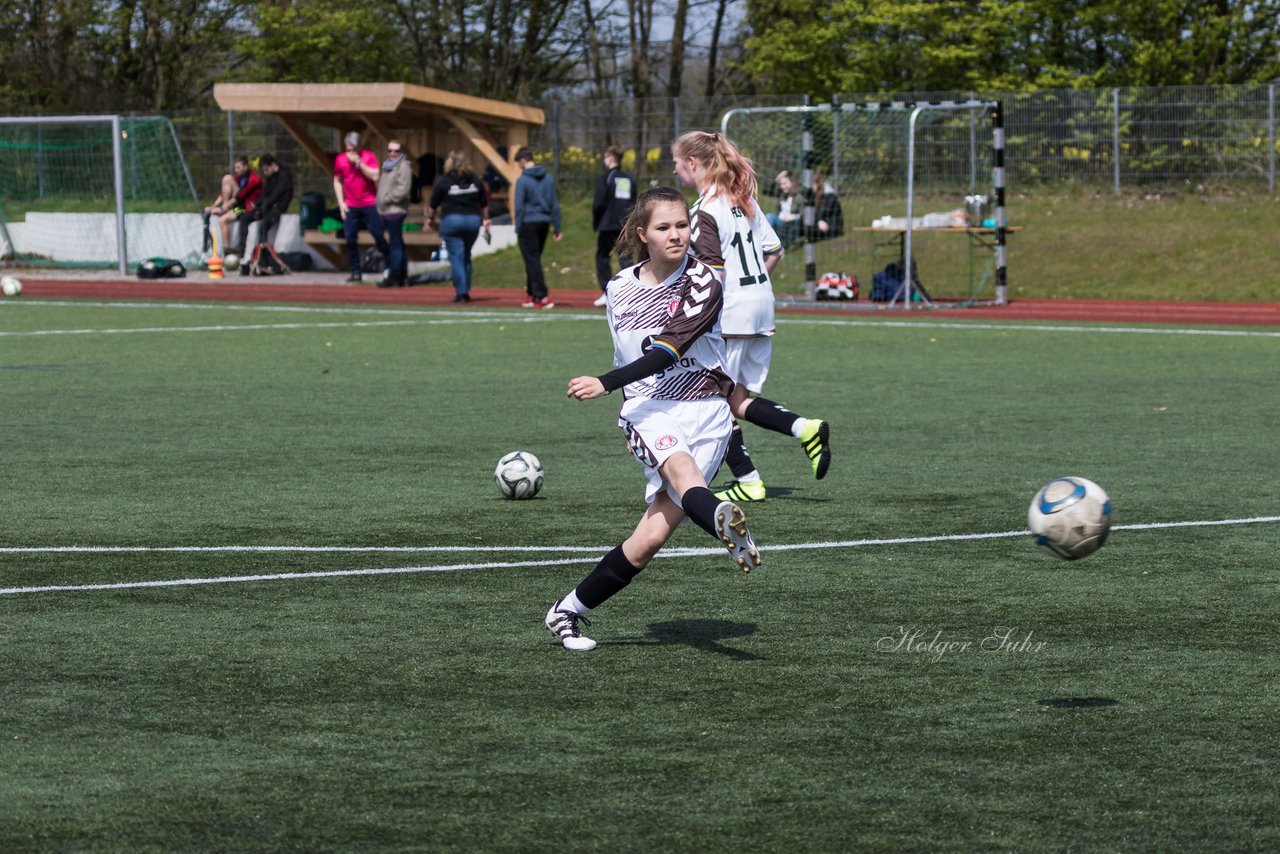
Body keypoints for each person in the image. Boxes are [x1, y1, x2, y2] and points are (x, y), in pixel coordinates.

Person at [546, 187, 761, 652]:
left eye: (683, 225)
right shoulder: (620, 288)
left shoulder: (704, 283)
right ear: (642, 234)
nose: (676, 235)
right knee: (683, 473)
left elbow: (666, 352)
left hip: (705, 409)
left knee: (650, 537)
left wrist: (605, 382)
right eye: (664, 227)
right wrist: (631, 416)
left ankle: (567, 611)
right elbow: (629, 356)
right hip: (648, 408)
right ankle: (724, 522)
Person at [671, 130, 832, 503]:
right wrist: (753, 289)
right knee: (735, 398)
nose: (677, 172)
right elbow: (774, 251)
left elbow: (714, 273)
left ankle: (749, 479)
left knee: (704, 400)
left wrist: (688, 318)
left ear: (693, 164)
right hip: (760, 307)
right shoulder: (743, 201)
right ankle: (803, 429)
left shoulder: (703, 211)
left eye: (678, 165)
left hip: (730, 316)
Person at [428, 149, 490, 303]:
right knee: (466, 255)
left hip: (452, 220)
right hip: (473, 220)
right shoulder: (475, 180)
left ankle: (461, 292)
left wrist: (430, 218)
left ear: (449, 162)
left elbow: (433, 203)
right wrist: (486, 219)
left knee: (456, 256)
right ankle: (466, 288)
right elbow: (484, 202)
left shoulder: (443, 181)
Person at [333, 131, 391, 284]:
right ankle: (355, 272)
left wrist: (359, 163)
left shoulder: (367, 156)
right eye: (349, 149)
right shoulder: (340, 160)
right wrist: (341, 203)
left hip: (369, 204)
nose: (351, 153)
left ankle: (390, 266)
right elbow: (337, 181)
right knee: (350, 238)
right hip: (351, 206)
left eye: (354, 149)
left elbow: (375, 175)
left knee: (378, 235)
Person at [513, 146, 561, 309]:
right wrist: (557, 226)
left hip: (528, 222)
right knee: (532, 258)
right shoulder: (547, 178)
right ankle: (531, 294)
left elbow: (519, 206)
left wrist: (518, 227)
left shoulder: (523, 180)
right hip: (543, 222)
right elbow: (554, 204)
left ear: (523, 161)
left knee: (532, 259)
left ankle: (541, 295)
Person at [591, 145, 636, 306]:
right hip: (625, 224)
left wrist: (597, 222)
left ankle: (607, 292)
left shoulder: (606, 178)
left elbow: (598, 203)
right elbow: (634, 201)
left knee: (602, 257)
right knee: (625, 257)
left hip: (608, 225)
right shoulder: (629, 178)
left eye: (605, 157)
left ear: (610, 158)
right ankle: (629, 292)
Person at [203, 154, 262, 259]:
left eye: (238, 167)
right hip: (237, 205)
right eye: (235, 167)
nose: (236, 170)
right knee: (227, 179)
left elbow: (240, 196)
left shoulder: (254, 179)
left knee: (223, 219)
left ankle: (228, 250)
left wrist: (223, 208)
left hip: (246, 208)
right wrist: (212, 207)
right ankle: (227, 250)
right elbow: (222, 194)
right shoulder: (238, 178)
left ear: (246, 166)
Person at [377, 138, 413, 287]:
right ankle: (402, 275)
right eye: (390, 150)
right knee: (397, 242)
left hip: (395, 210)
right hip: (386, 211)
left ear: (401, 151)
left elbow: (403, 189)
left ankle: (395, 273)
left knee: (395, 243)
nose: (392, 153)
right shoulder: (389, 166)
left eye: (396, 150)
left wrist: (386, 198)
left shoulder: (403, 166)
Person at [254, 153, 293, 249]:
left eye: (266, 169)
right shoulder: (270, 176)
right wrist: (257, 203)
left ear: (273, 165)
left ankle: (263, 251)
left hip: (279, 205)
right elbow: (266, 192)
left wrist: (266, 204)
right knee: (251, 218)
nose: (265, 173)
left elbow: (278, 192)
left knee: (263, 225)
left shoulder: (284, 173)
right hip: (269, 204)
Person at [766, 169, 801, 249]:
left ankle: (779, 247)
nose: (782, 186)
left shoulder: (799, 197)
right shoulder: (783, 194)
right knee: (769, 217)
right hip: (780, 220)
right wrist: (779, 177)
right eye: (781, 184)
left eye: (785, 183)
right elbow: (768, 189)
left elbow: (804, 215)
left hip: (791, 223)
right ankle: (765, 244)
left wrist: (792, 217)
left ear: (793, 182)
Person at [808, 170, 844, 241]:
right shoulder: (815, 194)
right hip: (819, 224)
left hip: (831, 228)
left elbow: (821, 213)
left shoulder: (829, 195)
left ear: (817, 183)